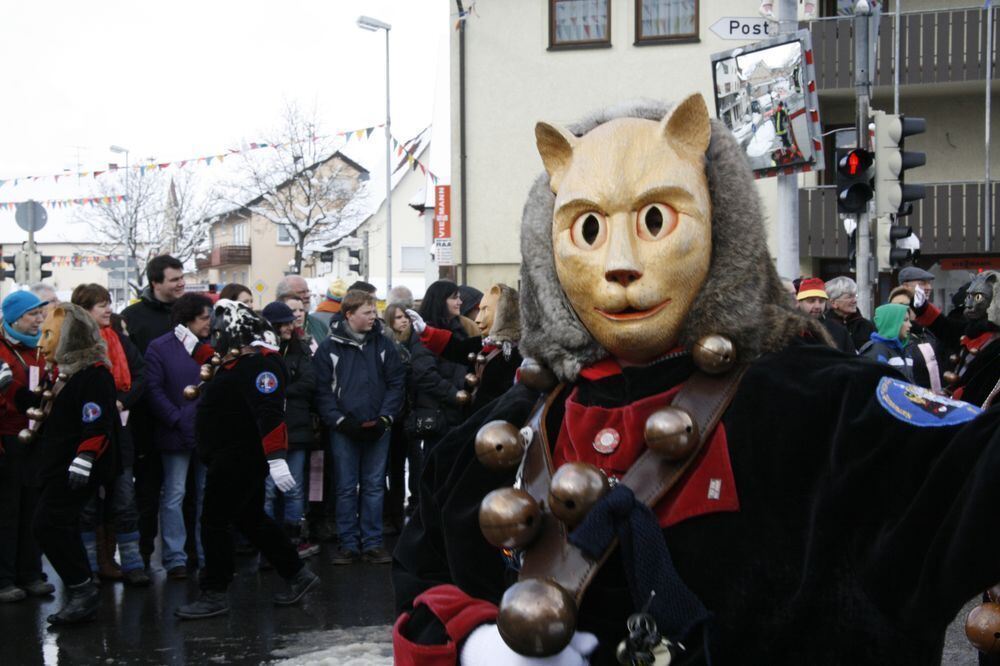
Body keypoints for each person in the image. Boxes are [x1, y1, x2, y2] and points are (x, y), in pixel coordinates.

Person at [391, 95, 1000, 665]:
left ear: (720, 226)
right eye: (588, 229)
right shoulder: (507, 427)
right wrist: (474, 640)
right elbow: (422, 576)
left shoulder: (823, 405)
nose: (620, 263)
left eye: (655, 218)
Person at [175, 299, 319, 619]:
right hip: (233, 454)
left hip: (239, 456)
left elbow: (269, 412)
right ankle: (297, 573)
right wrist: (193, 345)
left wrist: (277, 457)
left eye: (219, 331)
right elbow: (222, 364)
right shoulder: (242, 359)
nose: (216, 337)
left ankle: (215, 591)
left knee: (214, 522)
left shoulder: (260, 363)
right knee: (250, 518)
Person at [32, 303, 119, 624]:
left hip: (74, 468)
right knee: (57, 526)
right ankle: (82, 589)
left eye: (49, 334)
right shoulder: (63, 374)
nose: (42, 342)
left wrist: (85, 458)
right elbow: (38, 406)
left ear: (71, 336)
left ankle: (82, 590)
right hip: (56, 465)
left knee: (48, 525)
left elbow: (97, 422)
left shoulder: (93, 375)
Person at [313, 290, 405, 565]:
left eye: (374, 312)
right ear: (349, 315)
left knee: (374, 485)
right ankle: (348, 543)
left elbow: (396, 384)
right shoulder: (329, 348)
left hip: (378, 425)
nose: (373, 317)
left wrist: (386, 418)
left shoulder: (384, 345)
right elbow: (322, 391)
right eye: (367, 312)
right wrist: (340, 421)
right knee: (345, 486)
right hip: (344, 428)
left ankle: (373, 543)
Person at [71, 284, 150, 586]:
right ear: (84, 311)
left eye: (108, 303)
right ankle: (89, 566)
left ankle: (132, 563)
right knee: (87, 505)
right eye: (100, 305)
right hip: (86, 433)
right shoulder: (73, 345)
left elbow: (140, 374)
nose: (108, 310)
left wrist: (120, 400)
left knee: (125, 500)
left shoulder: (117, 340)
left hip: (119, 432)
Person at [144, 293, 215, 579]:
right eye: (203, 318)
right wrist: (176, 418)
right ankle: (175, 558)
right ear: (187, 320)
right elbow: (153, 389)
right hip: (174, 433)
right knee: (175, 494)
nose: (209, 323)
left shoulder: (211, 347)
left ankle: (206, 551)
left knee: (206, 495)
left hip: (206, 432)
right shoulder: (160, 347)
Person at [122, 254, 186, 567]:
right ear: (155, 283)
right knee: (147, 492)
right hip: (146, 421)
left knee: (182, 492)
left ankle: (184, 556)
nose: (181, 284)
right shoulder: (132, 317)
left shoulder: (188, 313)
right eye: (174, 279)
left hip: (182, 420)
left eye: (182, 277)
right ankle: (144, 554)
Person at [0, 291, 54, 603]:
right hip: (8, 437)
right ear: (16, 317)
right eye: (32, 314)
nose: (38, 320)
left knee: (33, 508)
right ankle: (5, 577)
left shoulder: (41, 349)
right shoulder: (3, 349)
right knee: (8, 510)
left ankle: (32, 573)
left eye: (40, 314)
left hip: (37, 436)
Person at [261, 301, 320, 559]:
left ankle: (294, 540)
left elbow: (309, 383)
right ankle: (268, 543)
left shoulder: (300, 349)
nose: (288, 327)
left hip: (296, 429)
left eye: (289, 322)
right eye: (282, 323)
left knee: (293, 487)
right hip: (269, 430)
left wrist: (280, 390)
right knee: (268, 490)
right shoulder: (260, 352)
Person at [470, 284, 523, 411]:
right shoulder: (488, 344)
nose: (478, 319)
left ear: (504, 313)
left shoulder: (510, 351)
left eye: (485, 310)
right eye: (479, 310)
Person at [859, 303, 914, 382]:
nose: (910, 325)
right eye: (905, 320)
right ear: (892, 322)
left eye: (909, 320)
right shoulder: (876, 351)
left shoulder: (905, 349)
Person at [795, 278, 853, 353]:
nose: (817, 306)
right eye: (811, 301)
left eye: (821, 301)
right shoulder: (790, 330)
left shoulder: (839, 330)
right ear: (799, 302)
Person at [824, 276, 875, 353]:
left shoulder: (866, 325)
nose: (855, 300)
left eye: (855, 296)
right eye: (849, 297)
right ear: (833, 303)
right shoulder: (823, 327)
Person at [277, 275, 326, 343]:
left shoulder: (319, 325)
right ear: (283, 297)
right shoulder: (274, 327)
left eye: (307, 291)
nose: (307, 296)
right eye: (301, 292)